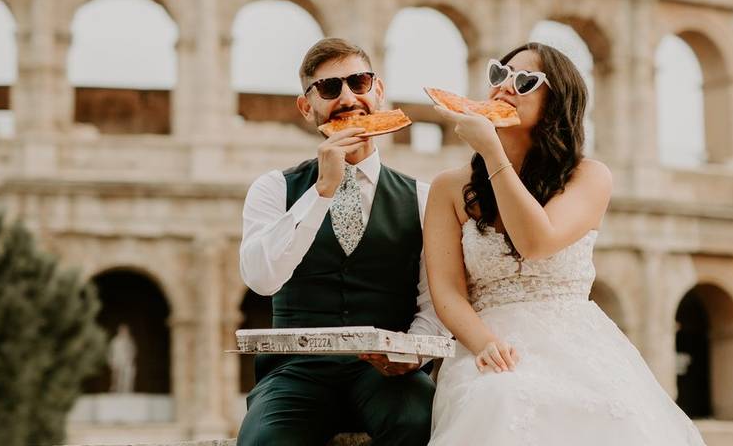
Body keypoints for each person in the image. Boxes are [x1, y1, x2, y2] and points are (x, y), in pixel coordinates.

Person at [424, 42, 707, 445]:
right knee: (501, 398)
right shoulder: (449, 188)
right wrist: (484, 343)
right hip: (487, 343)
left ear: (557, 102)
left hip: (576, 343)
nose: (505, 87)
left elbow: (536, 242)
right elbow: (447, 291)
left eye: (524, 81)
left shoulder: (589, 177)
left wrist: (491, 152)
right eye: (498, 75)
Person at [237, 38, 445, 446]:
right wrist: (321, 192)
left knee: (420, 423)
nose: (349, 98)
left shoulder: (422, 198)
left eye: (360, 82)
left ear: (378, 91)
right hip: (295, 372)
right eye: (330, 89)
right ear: (306, 107)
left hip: (387, 376)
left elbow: (434, 302)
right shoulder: (273, 189)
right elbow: (262, 279)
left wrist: (412, 354)